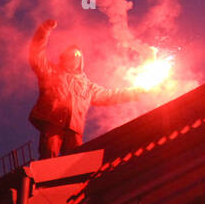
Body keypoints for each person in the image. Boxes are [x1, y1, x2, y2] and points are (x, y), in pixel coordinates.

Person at [27, 18, 145, 159]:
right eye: (70, 55)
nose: (74, 58)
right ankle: (44, 180)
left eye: (77, 56)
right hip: (53, 124)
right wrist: (44, 30)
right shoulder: (51, 72)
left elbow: (109, 96)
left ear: (80, 60)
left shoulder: (86, 85)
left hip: (74, 129)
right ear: (64, 57)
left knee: (74, 163)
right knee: (48, 158)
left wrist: (137, 91)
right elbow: (36, 55)